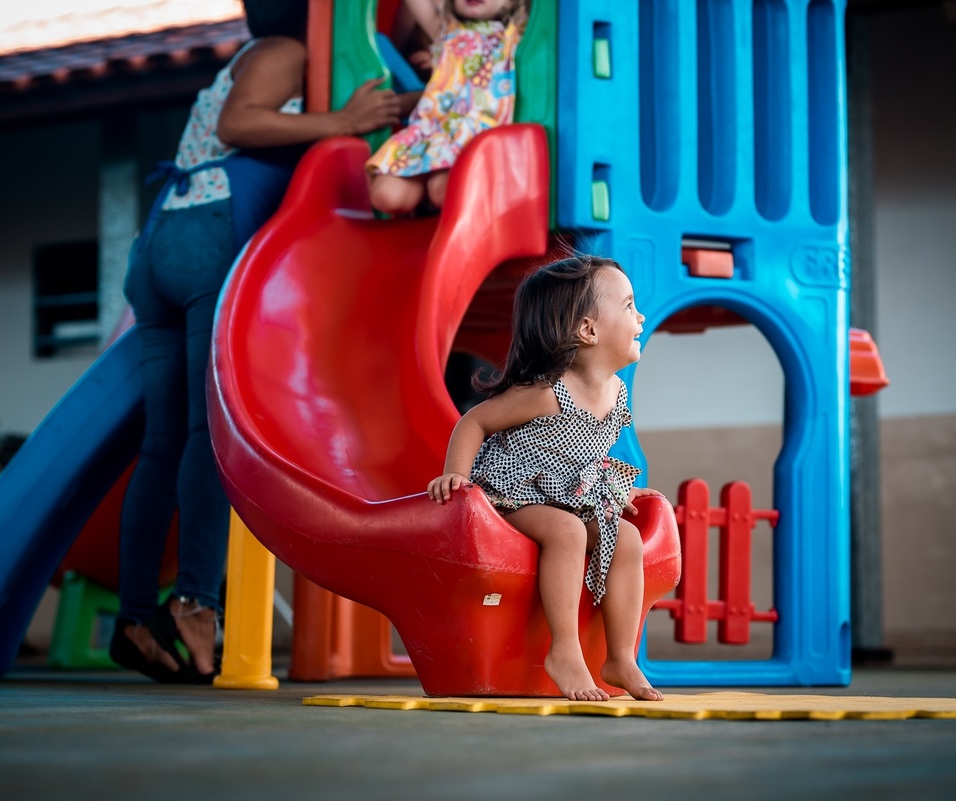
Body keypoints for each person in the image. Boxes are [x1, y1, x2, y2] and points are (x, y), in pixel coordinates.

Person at [110, 0, 403, 684]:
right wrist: (342, 123)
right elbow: (237, 123)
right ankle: (193, 604)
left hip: (162, 246)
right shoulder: (285, 51)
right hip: (207, 236)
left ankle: (133, 617)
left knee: (162, 443)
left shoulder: (253, 57)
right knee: (209, 433)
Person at [426, 255, 666, 702]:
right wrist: (456, 478)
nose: (641, 316)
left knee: (628, 539)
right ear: (588, 331)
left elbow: (588, 453)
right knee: (568, 531)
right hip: (517, 490)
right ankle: (566, 650)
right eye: (629, 305)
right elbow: (474, 422)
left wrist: (618, 489)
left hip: (571, 492)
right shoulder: (546, 392)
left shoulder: (616, 390)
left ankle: (620, 658)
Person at [366, 0, 529, 215]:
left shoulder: (522, 35)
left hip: (479, 140)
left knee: (442, 188)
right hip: (433, 134)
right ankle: (423, 210)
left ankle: (437, 209)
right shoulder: (445, 30)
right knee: (386, 194)